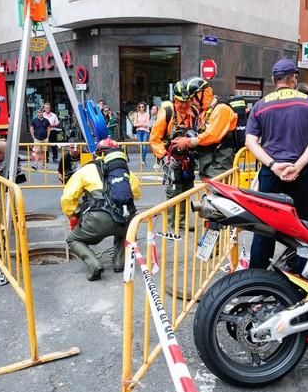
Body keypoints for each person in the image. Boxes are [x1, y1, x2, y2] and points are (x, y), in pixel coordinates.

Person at [244, 59, 308, 270]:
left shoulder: (260, 106)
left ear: (274, 79)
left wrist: (273, 165)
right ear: (294, 78)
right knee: (307, 223)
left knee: (265, 225)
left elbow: (250, 142)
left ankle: (257, 275)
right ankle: (303, 275)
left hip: (271, 174)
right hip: (303, 172)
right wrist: (298, 166)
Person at [60, 138, 141, 281]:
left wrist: (73, 215)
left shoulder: (86, 170)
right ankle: (120, 262)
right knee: (126, 231)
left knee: (73, 240)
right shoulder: (125, 172)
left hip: (96, 221)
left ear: (97, 153)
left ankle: (93, 264)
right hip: (124, 220)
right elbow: (136, 194)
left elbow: (67, 198)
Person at [149, 80, 199, 228]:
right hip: (170, 158)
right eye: (180, 102)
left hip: (187, 159)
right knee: (173, 191)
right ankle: (172, 223)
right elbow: (154, 139)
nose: (183, 105)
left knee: (186, 189)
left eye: (187, 101)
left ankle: (182, 222)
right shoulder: (167, 112)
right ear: (175, 99)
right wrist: (164, 157)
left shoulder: (194, 113)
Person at [171, 77, 237, 179]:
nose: (192, 102)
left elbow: (212, 136)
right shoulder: (204, 112)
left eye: (193, 98)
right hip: (209, 166)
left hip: (219, 166)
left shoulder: (221, 109)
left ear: (202, 94)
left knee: (218, 194)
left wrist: (188, 142)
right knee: (210, 193)